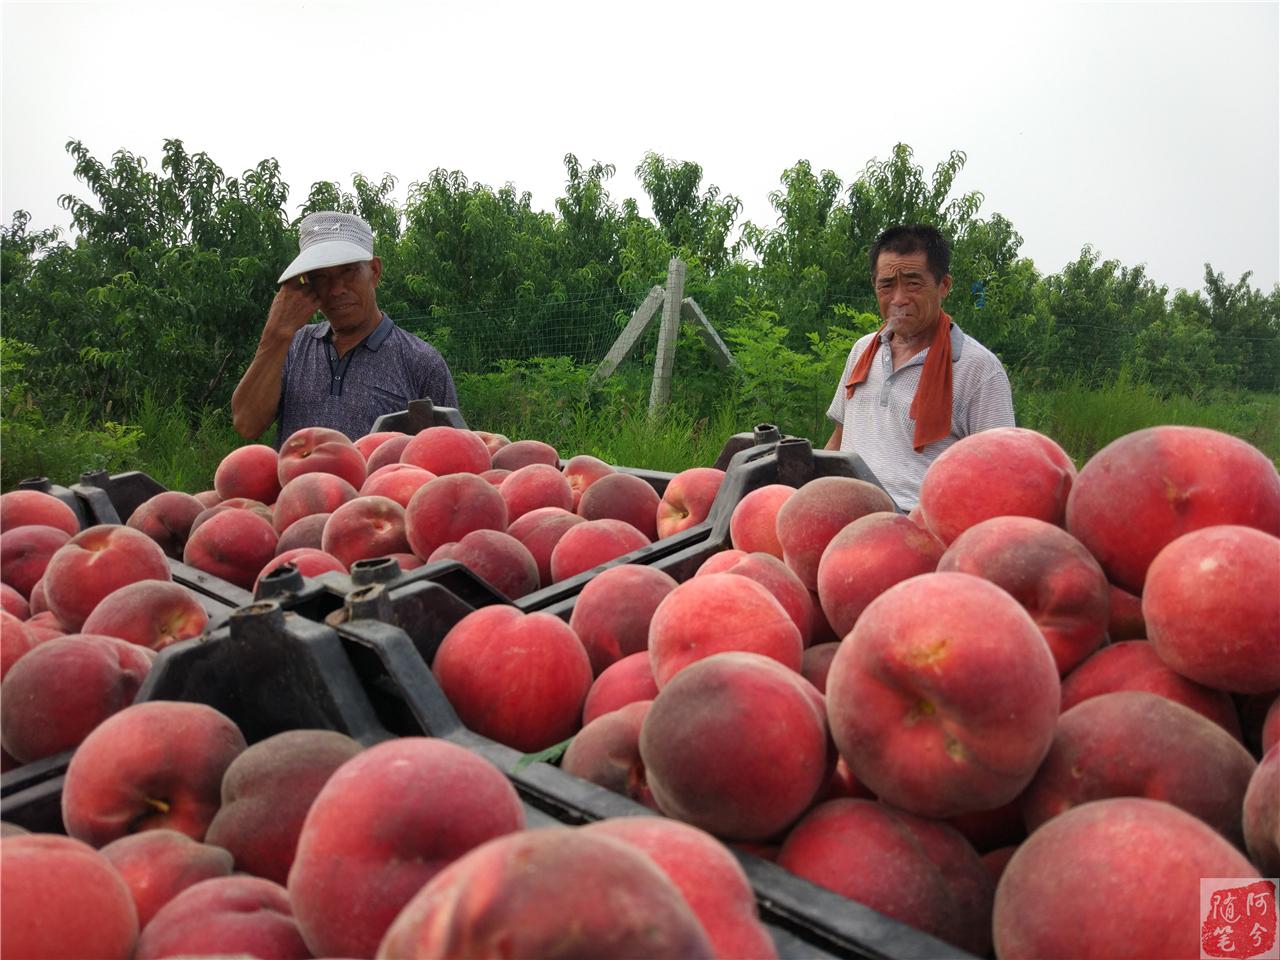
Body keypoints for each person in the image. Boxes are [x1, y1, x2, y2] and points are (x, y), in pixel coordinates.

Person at [825, 224, 1015, 510]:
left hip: (921, 523)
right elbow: (839, 439)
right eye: (886, 285)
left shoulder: (979, 369)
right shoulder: (863, 350)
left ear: (944, 286)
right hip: (844, 509)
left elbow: (1000, 475)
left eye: (913, 283)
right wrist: (811, 489)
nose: (898, 299)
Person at [231, 211, 458, 445]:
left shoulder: (420, 362)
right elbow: (247, 424)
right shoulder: (292, 347)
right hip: (298, 483)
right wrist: (276, 333)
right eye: (321, 277)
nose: (336, 289)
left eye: (348, 271)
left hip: (389, 483)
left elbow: (450, 450)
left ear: (375, 271)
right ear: (307, 284)